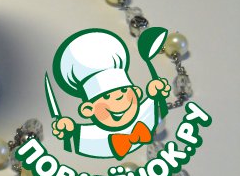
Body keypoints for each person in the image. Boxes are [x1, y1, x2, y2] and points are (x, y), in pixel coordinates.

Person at [51, 28, 170, 159]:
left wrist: (156, 94)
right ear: (88, 110)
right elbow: (75, 141)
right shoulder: (94, 136)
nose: (119, 98)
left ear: (137, 92)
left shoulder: (145, 114)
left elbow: (156, 108)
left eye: (124, 90)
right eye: (107, 96)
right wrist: (69, 131)